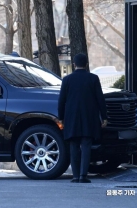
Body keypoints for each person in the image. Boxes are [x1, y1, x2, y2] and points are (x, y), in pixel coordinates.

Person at [57, 53, 108, 183]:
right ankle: (83, 176)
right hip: (89, 117)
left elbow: (61, 100)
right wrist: (104, 117)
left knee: (73, 145)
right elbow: (100, 99)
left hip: (71, 117)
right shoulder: (93, 78)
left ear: (74, 64)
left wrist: (61, 118)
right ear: (86, 64)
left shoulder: (67, 79)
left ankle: (75, 175)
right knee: (86, 146)